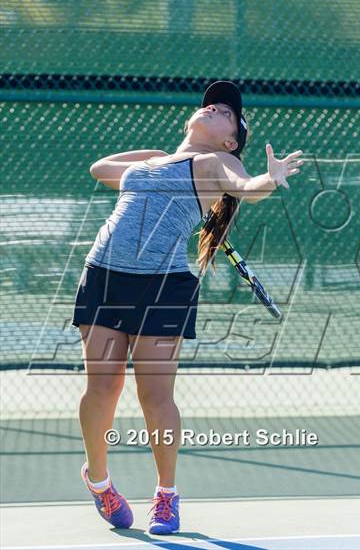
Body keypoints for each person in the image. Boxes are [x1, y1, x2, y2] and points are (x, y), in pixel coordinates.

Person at [71, 80, 303, 535]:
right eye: (210, 104)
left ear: (231, 139)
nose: (213, 107)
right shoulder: (158, 159)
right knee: (103, 389)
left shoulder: (221, 161)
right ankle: (98, 481)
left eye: (225, 112)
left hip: (164, 287)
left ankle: (166, 496)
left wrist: (269, 179)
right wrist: (158, 157)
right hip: (104, 275)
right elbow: (100, 168)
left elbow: (246, 187)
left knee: (154, 396)